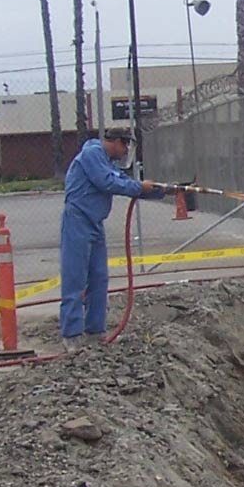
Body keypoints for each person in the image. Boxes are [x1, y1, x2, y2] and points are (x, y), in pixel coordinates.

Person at [60, 126, 166, 339]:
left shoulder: (106, 163)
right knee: (76, 280)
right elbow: (108, 183)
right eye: (125, 144)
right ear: (115, 142)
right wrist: (140, 187)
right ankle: (71, 335)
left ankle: (95, 330)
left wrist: (162, 190)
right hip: (78, 221)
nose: (126, 149)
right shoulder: (92, 155)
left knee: (99, 278)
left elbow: (125, 184)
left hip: (95, 223)